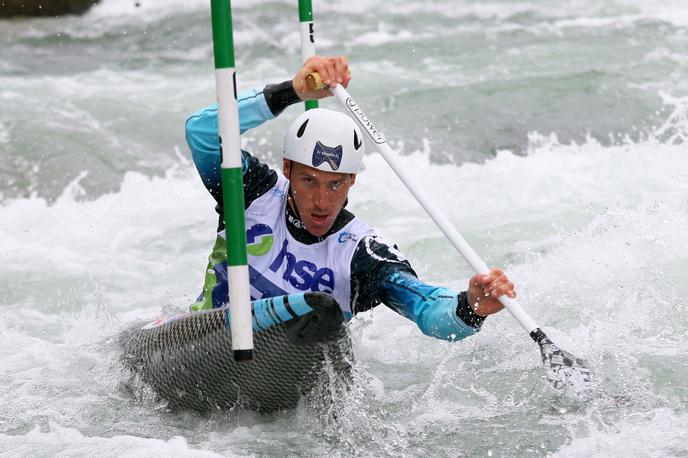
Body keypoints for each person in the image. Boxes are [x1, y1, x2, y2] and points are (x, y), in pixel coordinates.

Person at [185, 56, 515, 342]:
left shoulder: (362, 254)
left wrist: (469, 307)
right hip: (205, 339)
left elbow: (427, 309)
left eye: (335, 185)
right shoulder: (249, 192)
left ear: (351, 180)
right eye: (309, 181)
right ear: (287, 169)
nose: (321, 201)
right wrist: (293, 92)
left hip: (287, 371)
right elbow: (201, 133)